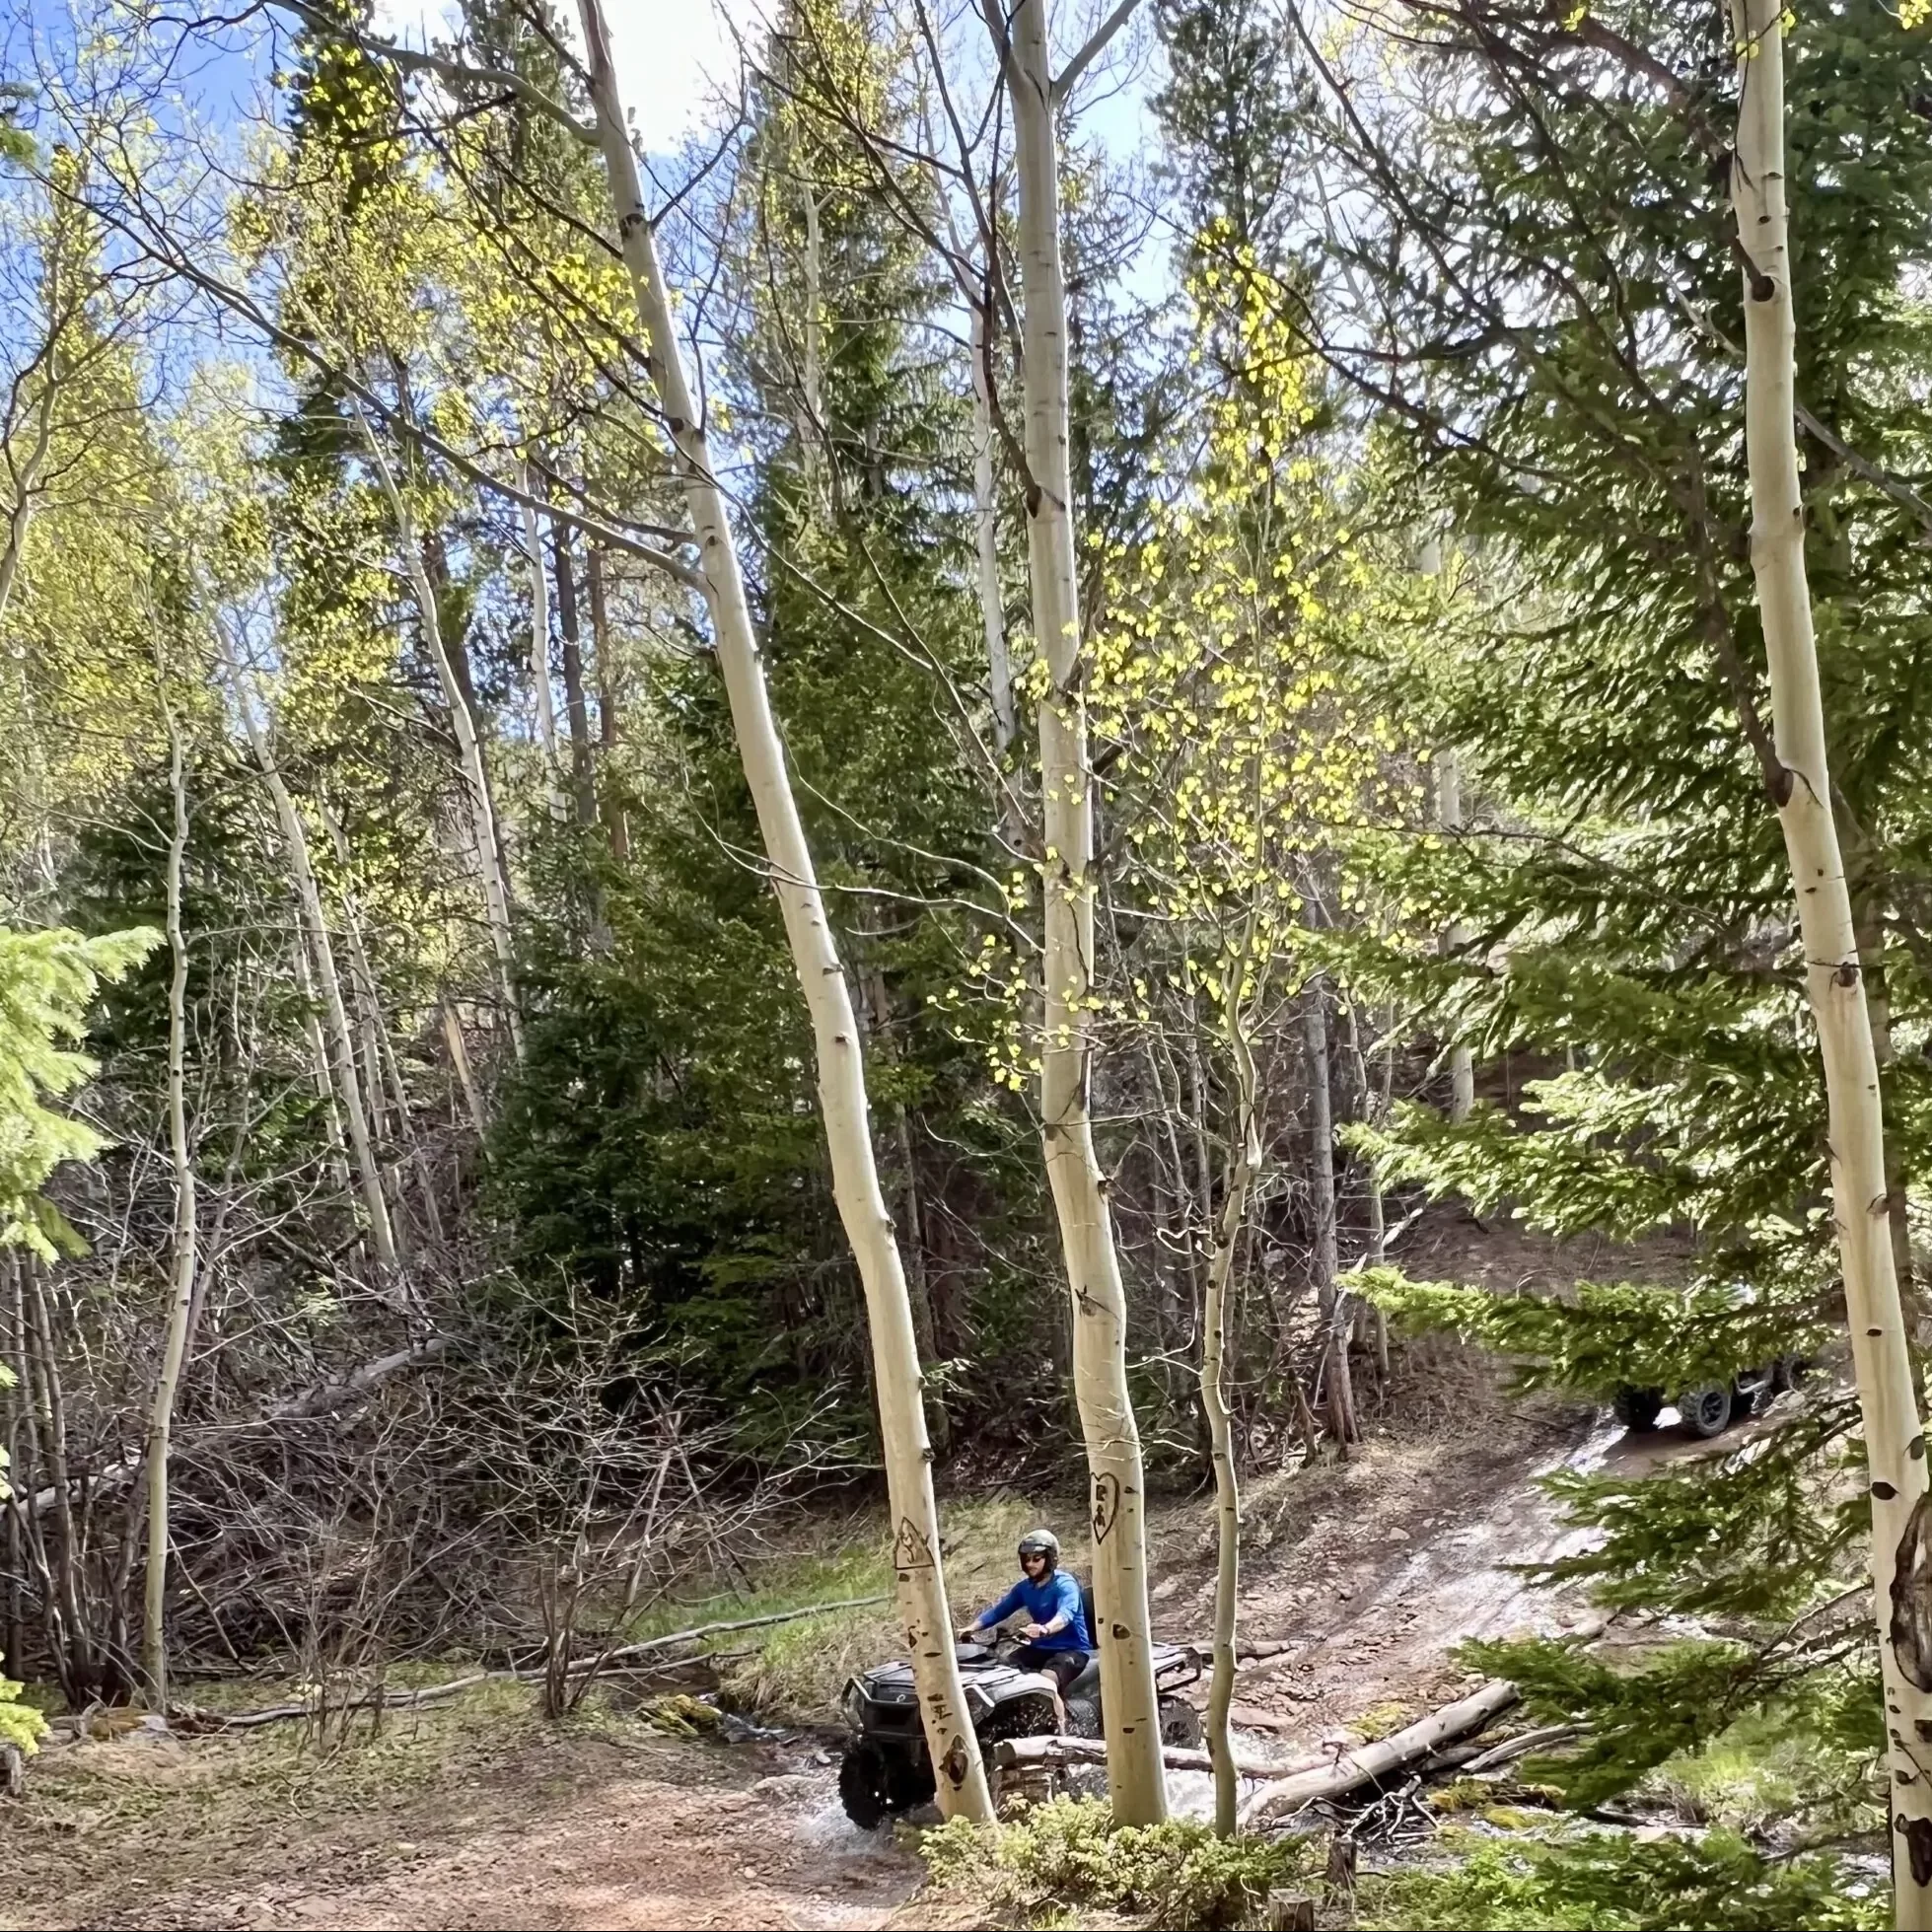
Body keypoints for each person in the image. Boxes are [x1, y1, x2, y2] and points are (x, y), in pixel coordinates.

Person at [959, 1528, 1092, 1701]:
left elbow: (1066, 1614)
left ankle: (1062, 1724)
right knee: (1000, 1671)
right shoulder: (1024, 1588)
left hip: (1071, 1650)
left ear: (1050, 1558)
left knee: (1046, 1681)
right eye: (1026, 1559)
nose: (1030, 1564)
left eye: (1036, 1559)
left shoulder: (1065, 1584)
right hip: (1039, 1648)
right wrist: (970, 1628)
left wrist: (1045, 1629)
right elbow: (999, 1611)